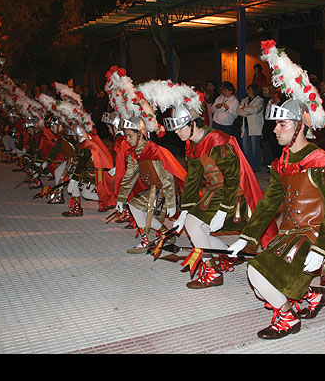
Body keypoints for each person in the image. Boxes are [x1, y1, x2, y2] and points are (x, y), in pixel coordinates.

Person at [227, 40, 325, 340]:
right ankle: (309, 297)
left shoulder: (320, 161)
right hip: (289, 235)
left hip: (311, 238)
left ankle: (287, 316)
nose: (275, 130)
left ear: (299, 126)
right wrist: (246, 237)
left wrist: (322, 250)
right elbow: (268, 204)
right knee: (260, 271)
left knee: (256, 274)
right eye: (275, 125)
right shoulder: (281, 162)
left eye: (282, 125)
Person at [164, 101, 277, 290]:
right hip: (215, 191)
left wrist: (224, 211)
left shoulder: (217, 140)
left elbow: (233, 178)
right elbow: (192, 179)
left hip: (233, 192)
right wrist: (184, 211)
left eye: (179, 128)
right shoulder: (192, 144)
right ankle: (228, 255)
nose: (176, 133)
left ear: (192, 124)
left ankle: (212, 273)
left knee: (194, 225)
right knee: (197, 227)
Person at [116, 115, 185, 253]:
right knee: (135, 207)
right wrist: (121, 198)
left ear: (140, 134)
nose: (127, 140)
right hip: (154, 189)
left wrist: (171, 203)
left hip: (164, 190)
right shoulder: (134, 152)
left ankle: (149, 239)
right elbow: (129, 177)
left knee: (135, 206)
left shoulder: (153, 151)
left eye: (130, 136)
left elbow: (167, 178)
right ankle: (165, 233)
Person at [236, 83, 264, 172]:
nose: (248, 92)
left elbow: (255, 110)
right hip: (245, 126)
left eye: (250, 90)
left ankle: (256, 166)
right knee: (246, 147)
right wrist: (247, 110)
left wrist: (244, 108)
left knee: (255, 147)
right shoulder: (245, 99)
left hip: (255, 127)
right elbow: (238, 111)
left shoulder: (260, 100)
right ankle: (249, 166)